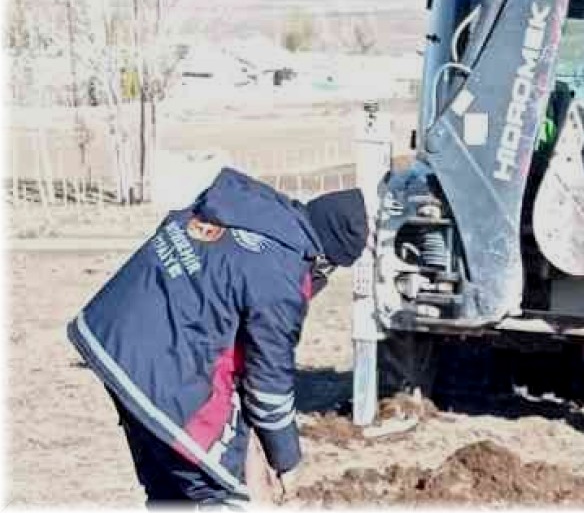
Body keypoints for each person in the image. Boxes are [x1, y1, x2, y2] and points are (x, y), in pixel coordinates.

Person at [67, 168, 369, 506]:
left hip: (111, 339)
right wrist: (287, 461)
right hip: (163, 370)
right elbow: (268, 385)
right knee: (227, 494)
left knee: (169, 491)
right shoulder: (282, 274)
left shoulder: (247, 213)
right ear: (326, 257)